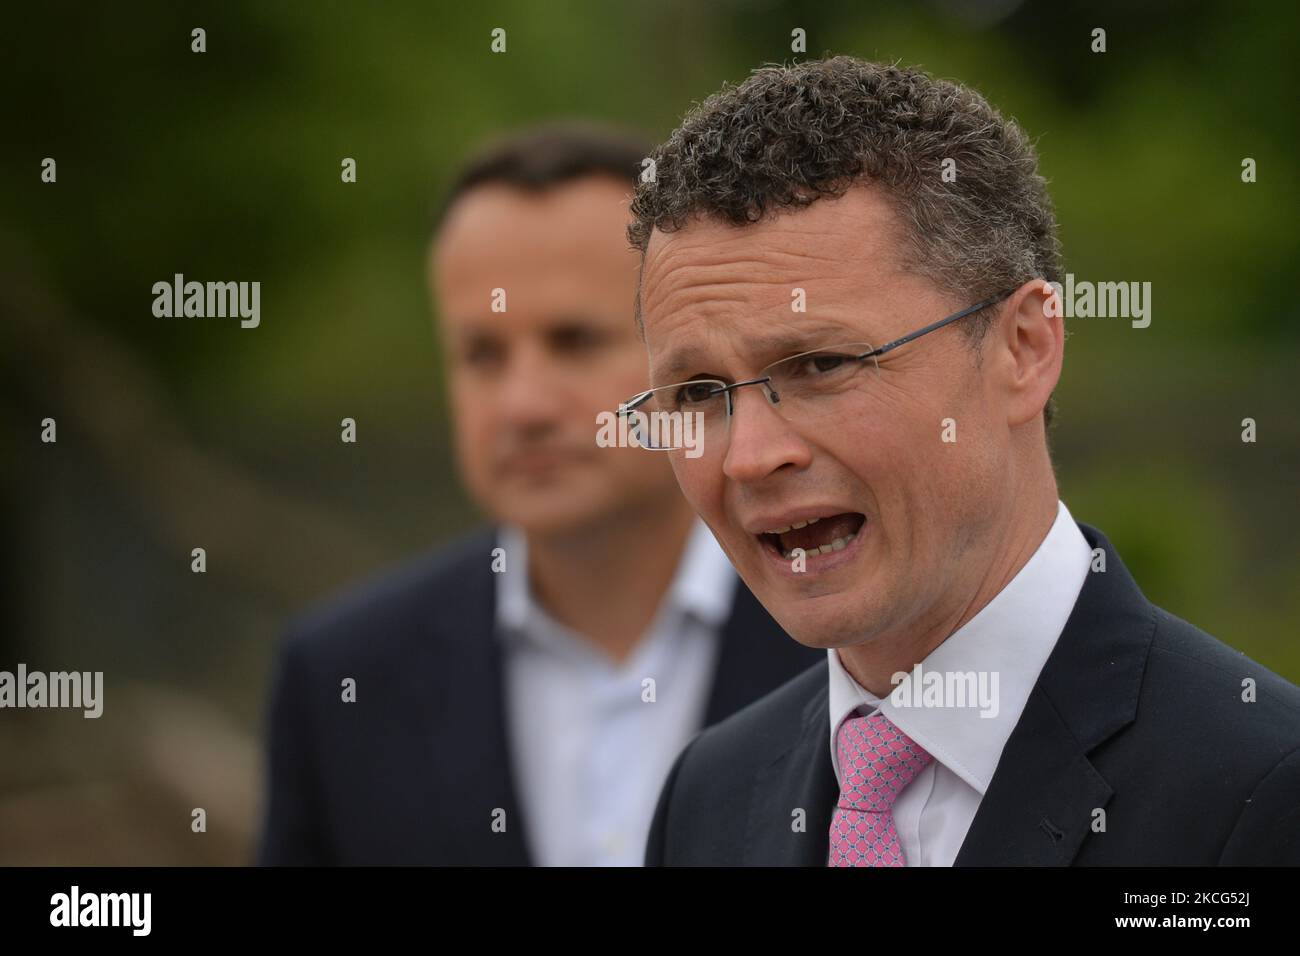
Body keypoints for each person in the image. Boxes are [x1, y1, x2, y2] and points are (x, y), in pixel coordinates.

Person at [629, 58, 1300, 866]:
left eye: (822, 365)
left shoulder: (1262, 794)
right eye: (699, 392)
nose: (750, 457)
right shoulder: (709, 800)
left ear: (1024, 348)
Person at [258, 122, 820, 866]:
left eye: (574, 341)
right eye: (481, 354)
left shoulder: (848, 627)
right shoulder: (341, 677)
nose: (523, 404)